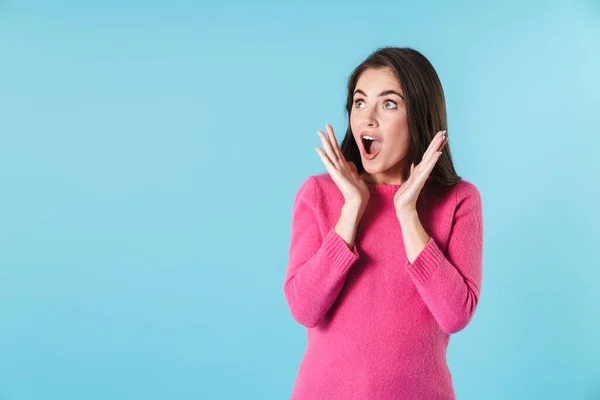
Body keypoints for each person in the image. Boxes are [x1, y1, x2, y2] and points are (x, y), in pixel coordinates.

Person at [283, 46, 484, 400]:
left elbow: (455, 315)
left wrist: (407, 213)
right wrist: (352, 209)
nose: (367, 119)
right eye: (360, 103)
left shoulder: (459, 200)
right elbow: (304, 308)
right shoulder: (316, 194)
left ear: (420, 115)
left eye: (389, 104)